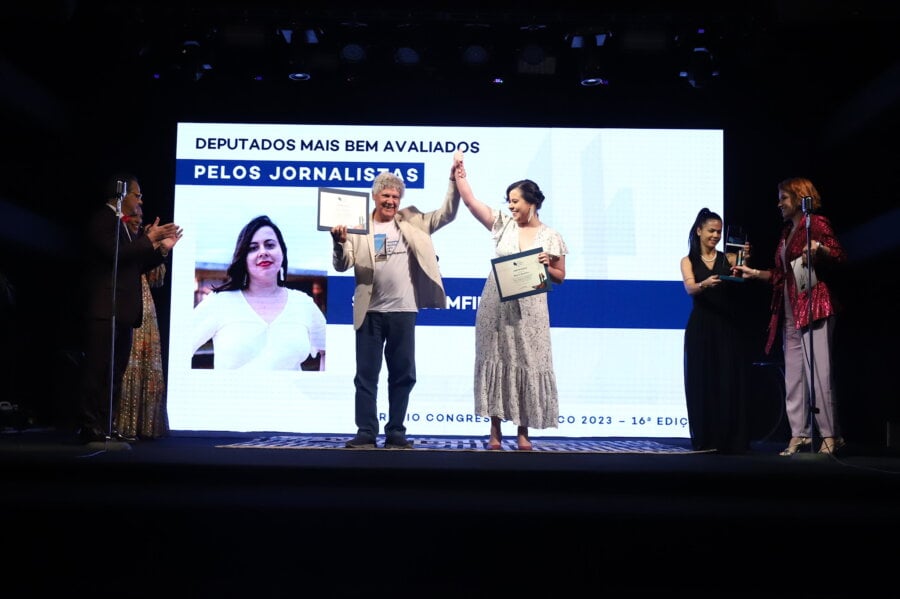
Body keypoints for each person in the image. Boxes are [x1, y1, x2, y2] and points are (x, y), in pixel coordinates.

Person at [330, 159, 462, 449]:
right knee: (366, 377)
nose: (390, 201)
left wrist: (453, 182)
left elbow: (447, 214)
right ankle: (366, 432)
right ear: (375, 196)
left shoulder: (413, 220)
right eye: (386, 196)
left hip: (403, 310)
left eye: (395, 197)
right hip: (370, 312)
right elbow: (344, 264)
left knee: (403, 375)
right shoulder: (356, 226)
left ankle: (396, 433)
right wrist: (339, 244)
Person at [452, 152, 568, 451]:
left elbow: (560, 276)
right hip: (497, 303)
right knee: (498, 359)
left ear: (532, 202)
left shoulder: (551, 236)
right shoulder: (503, 224)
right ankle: (494, 431)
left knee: (526, 363)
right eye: (509, 200)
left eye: (515, 200)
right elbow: (470, 202)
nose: (511, 206)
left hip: (530, 311)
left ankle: (524, 432)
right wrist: (460, 174)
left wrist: (546, 264)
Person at [734, 177, 847, 455]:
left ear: (799, 198)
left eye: (783, 198)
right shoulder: (786, 232)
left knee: (819, 372)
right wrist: (754, 273)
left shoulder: (815, 223)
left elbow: (839, 256)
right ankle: (800, 434)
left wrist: (819, 249)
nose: (779, 203)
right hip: (788, 312)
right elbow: (782, 275)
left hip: (814, 307)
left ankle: (831, 435)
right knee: (794, 376)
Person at [78, 174, 182, 444]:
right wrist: (149, 240)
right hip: (106, 309)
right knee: (99, 371)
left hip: (122, 311)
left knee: (114, 374)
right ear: (122, 195)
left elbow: (133, 266)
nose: (141, 201)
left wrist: (160, 249)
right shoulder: (104, 219)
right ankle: (91, 427)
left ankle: (106, 428)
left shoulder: (122, 227)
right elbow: (117, 255)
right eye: (137, 195)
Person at [191, 215, 327, 370]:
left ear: (282, 251)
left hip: (292, 395)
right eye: (253, 248)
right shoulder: (219, 302)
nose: (263, 252)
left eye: (270, 245)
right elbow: (178, 348)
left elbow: (330, 351)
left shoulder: (303, 303)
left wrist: (322, 389)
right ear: (243, 258)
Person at [679, 207, 752, 454]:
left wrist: (744, 258)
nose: (715, 235)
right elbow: (690, 288)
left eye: (719, 232)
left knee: (727, 379)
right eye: (711, 230)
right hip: (701, 326)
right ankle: (705, 437)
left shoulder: (728, 259)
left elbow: (742, 278)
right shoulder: (687, 260)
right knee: (702, 380)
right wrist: (705, 283)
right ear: (699, 230)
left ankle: (729, 438)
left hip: (726, 324)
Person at [116, 205, 169, 440]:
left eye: (140, 219)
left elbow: (157, 279)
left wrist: (159, 248)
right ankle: (119, 423)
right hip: (127, 300)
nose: (138, 221)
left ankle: (144, 425)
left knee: (145, 362)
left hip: (145, 305)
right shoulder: (123, 243)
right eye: (133, 218)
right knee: (125, 363)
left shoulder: (143, 242)